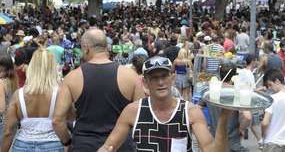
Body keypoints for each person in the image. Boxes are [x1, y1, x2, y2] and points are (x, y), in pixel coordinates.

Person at [97, 56, 231, 152]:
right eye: (154, 78)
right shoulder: (133, 111)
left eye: (164, 76)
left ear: (172, 78)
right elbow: (109, 146)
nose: (160, 82)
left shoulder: (190, 111)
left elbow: (210, 149)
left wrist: (223, 118)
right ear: (145, 83)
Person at [52, 29, 145, 152]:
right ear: (106, 47)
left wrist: (68, 142)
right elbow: (142, 116)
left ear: (86, 48)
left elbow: (57, 120)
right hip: (120, 145)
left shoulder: (72, 78)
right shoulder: (130, 76)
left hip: (84, 145)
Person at [1, 49, 63, 152]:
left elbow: (9, 131)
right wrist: (67, 142)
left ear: (32, 67)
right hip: (53, 144)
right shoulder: (60, 93)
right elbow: (67, 119)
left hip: (22, 145)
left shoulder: (19, 95)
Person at [207, 61, 252, 152]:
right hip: (232, 142)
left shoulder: (210, 91)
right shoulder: (236, 92)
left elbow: (199, 108)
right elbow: (247, 117)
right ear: (234, 76)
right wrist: (242, 129)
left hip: (214, 138)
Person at [0, 53, 17, 143]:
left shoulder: (1, 83)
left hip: (3, 121)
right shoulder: (14, 80)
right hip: (14, 119)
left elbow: (1, 108)